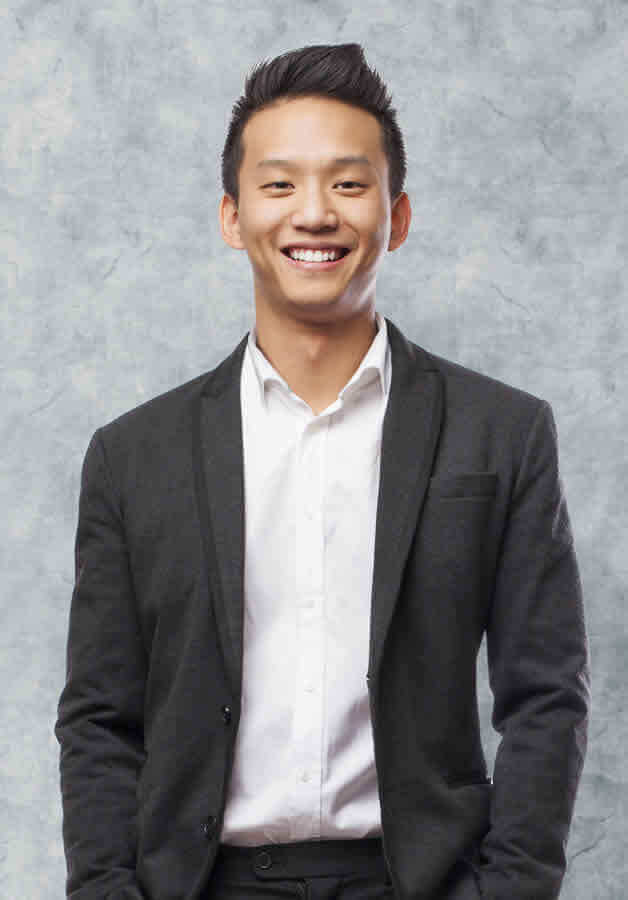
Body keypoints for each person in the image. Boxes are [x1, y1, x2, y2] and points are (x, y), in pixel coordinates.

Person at [55, 43, 591, 900]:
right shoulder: (133, 456)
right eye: (278, 185)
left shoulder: (503, 433)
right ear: (232, 217)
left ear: (396, 216)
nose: (314, 213)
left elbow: (546, 697)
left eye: (347, 183)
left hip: (419, 882)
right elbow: (99, 721)